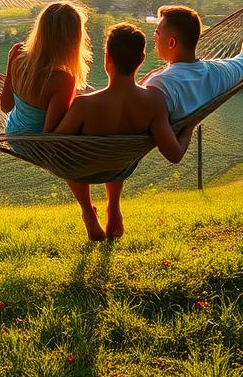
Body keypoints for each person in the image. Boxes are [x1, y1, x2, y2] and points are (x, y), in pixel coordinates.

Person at [53, 23, 200, 241]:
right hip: (120, 168)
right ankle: (113, 207)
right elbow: (175, 154)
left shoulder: (84, 106)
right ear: (141, 59)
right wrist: (190, 125)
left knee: (70, 157)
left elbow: (54, 146)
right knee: (116, 152)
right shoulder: (154, 102)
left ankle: (87, 211)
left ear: (107, 59)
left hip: (83, 171)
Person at [142, 0, 243, 121]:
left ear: (172, 42)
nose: (154, 37)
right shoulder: (217, 73)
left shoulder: (159, 84)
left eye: (157, 33)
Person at [0, 1, 91, 136]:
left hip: (12, 131)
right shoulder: (63, 80)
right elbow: (49, 135)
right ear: (74, 39)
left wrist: (10, 63)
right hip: (34, 144)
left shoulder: (17, 56)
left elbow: (6, 106)